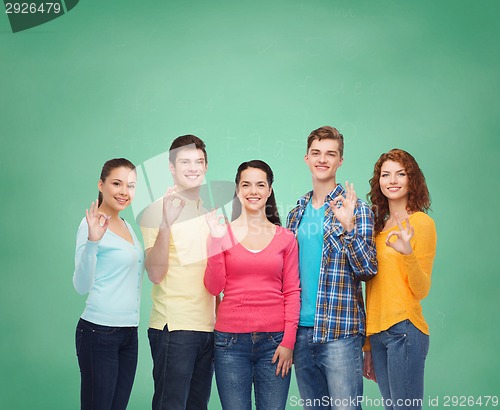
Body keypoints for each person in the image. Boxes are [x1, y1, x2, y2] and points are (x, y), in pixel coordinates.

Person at [286, 126, 377, 410]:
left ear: (340, 161)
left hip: (340, 331)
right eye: (316, 153)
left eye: (330, 154)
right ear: (306, 158)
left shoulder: (357, 209)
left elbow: (367, 269)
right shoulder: (295, 213)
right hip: (301, 332)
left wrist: (348, 227)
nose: (322, 159)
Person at [204, 160, 301, 410]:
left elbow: (292, 291)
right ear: (237, 190)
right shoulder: (221, 233)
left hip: (275, 342)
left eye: (260, 185)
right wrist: (215, 242)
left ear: (269, 190)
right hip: (230, 343)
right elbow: (214, 288)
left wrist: (288, 341)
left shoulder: (286, 238)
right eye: (246, 185)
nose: (253, 191)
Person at [140, 135, 216, 410]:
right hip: (174, 328)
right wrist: (165, 225)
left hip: (207, 328)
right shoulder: (155, 210)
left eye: (198, 161)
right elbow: (155, 274)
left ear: (206, 166)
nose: (193, 167)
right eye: (185, 161)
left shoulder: (209, 212)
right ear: (171, 167)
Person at [363, 149, 437, 410]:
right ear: (379, 181)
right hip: (379, 335)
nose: (392, 180)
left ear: (411, 180)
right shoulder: (377, 228)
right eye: (386, 175)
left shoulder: (421, 223)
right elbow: (371, 289)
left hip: (404, 331)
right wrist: (368, 344)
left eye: (400, 174)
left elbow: (421, 289)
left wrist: (407, 254)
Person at [73, 158, 144, 410]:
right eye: (117, 183)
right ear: (101, 185)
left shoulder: (127, 226)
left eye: (131, 186)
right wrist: (92, 241)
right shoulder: (90, 224)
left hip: (128, 333)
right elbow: (81, 285)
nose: (124, 192)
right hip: (98, 332)